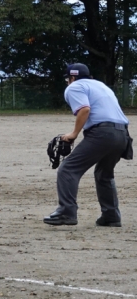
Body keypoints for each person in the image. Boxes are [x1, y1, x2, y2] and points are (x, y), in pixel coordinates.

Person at [44, 63, 131, 227]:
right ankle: (111, 216)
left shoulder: (74, 87)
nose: (67, 82)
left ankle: (66, 212)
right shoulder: (101, 86)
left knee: (68, 169)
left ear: (72, 77)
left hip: (103, 133)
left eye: (67, 79)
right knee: (104, 174)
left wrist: (73, 134)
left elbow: (84, 109)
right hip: (122, 134)